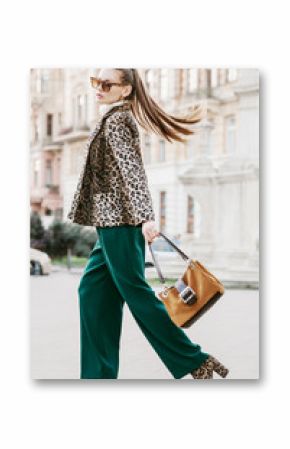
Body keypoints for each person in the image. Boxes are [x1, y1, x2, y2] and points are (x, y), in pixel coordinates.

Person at [67, 68, 229, 379]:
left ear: (125, 90)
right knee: (91, 292)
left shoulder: (117, 121)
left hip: (122, 223)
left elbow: (133, 172)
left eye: (106, 84)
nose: (98, 88)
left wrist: (146, 217)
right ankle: (97, 376)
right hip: (109, 222)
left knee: (137, 294)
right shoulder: (112, 117)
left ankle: (194, 360)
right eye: (95, 82)